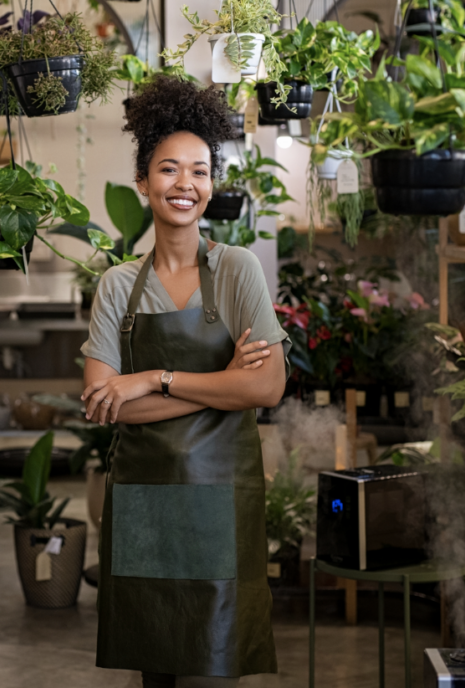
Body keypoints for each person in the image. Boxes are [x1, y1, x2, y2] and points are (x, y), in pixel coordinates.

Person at [80, 75, 289, 688]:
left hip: (221, 497)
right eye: (169, 170)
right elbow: (104, 407)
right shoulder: (118, 285)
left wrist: (152, 379)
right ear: (143, 183)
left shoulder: (236, 270)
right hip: (145, 499)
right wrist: (219, 384)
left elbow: (266, 388)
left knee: (217, 659)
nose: (185, 185)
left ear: (212, 185)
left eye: (199, 172)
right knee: (157, 668)